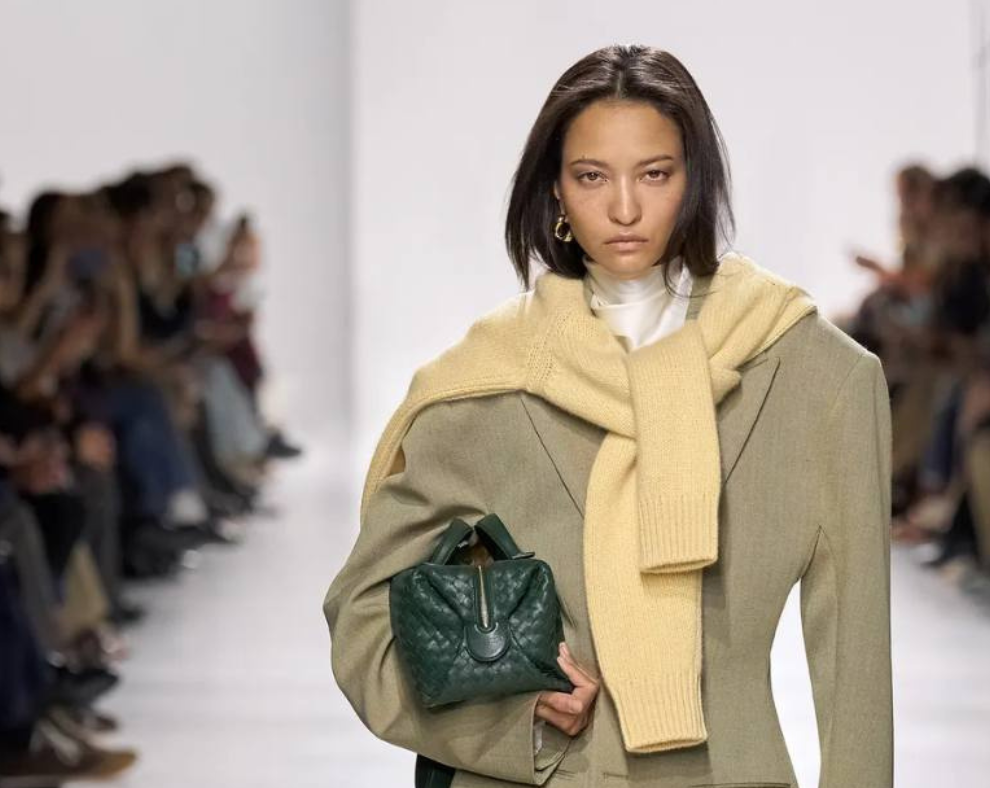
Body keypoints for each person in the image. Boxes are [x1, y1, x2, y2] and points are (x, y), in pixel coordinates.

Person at [324, 44, 894, 787]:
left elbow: (856, 664)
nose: (625, 208)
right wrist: (512, 718)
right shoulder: (486, 387)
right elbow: (364, 621)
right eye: (591, 176)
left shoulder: (817, 379)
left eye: (655, 174)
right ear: (555, 193)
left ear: (696, 181)